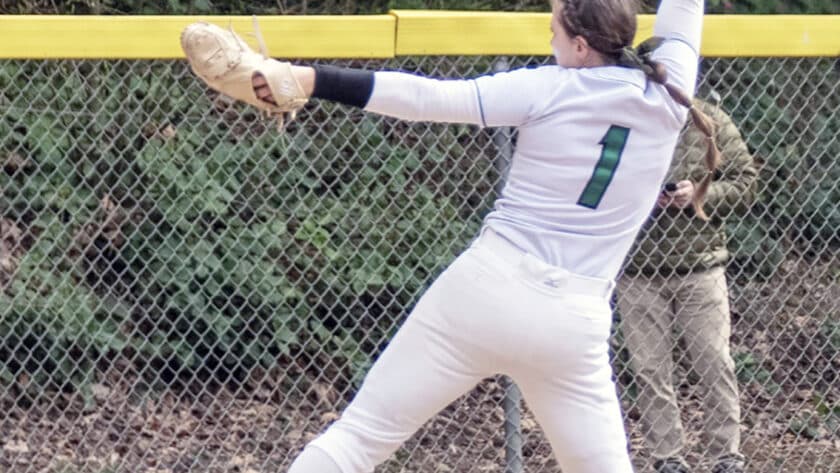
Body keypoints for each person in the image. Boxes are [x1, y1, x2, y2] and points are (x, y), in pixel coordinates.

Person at [181, 0, 711, 472]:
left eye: (554, 32)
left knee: (359, 440)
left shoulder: (549, 87)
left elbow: (425, 98)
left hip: (487, 288)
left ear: (580, 44)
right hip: (573, 321)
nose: (549, 41)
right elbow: (684, 11)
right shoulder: (671, 89)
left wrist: (307, 79)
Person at [616, 97, 756, 473]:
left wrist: (698, 194)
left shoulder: (709, 121)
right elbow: (596, 183)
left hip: (700, 266)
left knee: (714, 361)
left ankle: (726, 456)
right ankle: (668, 458)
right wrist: (644, 196)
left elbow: (747, 182)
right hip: (638, 270)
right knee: (649, 369)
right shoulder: (620, 118)